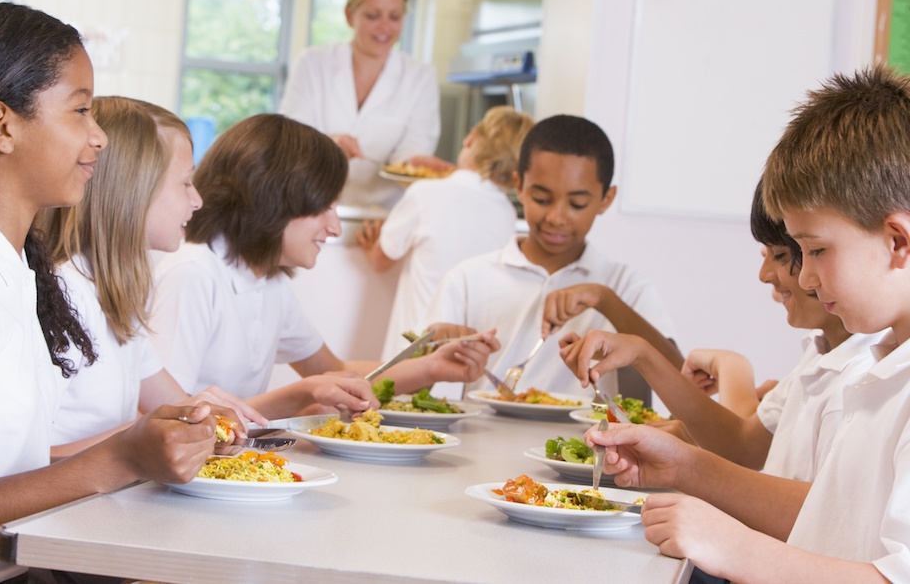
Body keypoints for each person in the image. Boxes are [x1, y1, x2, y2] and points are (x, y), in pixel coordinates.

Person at [0, 3, 238, 583]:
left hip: (21, 565)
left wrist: (144, 442)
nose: (98, 137)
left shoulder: (12, 267)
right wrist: (123, 458)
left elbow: (13, 470)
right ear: (2, 125)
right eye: (79, 111)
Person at [581, 66, 910, 582]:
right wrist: (685, 465)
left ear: (898, 241)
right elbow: (829, 526)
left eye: (817, 250)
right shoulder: (881, 366)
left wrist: (733, 546)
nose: (805, 278)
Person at [150, 113, 499, 420]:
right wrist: (299, 397)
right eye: (324, 207)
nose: (334, 227)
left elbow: (336, 372)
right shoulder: (194, 274)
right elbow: (168, 417)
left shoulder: (266, 281)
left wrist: (431, 367)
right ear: (273, 199)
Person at [561, 179, 882, 479]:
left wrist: (684, 468)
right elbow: (740, 446)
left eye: (782, 255)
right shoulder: (819, 351)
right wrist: (643, 355)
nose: (764, 274)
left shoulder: (868, 372)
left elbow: (807, 509)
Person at [38, 96, 268, 457]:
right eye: (185, 183)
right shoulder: (61, 295)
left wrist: (201, 422)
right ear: (134, 189)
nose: (198, 201)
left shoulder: (117, 296)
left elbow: (175, 410)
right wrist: (151, 431)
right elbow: (23, 464)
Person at [425, 114, 680, 400]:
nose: (557, 217)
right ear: (519, 186)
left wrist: (605, 300)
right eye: (542, 199)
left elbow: (681, 377)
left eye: (577, 204)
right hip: (479, 441)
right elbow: (413, 385)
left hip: (587, 443)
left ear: (605, 200)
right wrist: (433, 346)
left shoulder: (624, 285)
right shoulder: (468, 279)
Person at [356, 106, 535, 358]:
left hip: (417, 348)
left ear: (470, 139)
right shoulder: (506, 212)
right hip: (468, 353)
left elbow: (380, 259)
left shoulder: (425, 192)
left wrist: (371, 244)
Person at [278, 0, 445, 208]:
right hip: (310, 207)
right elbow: (292, 137)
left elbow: (411, 149)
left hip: (382, 217)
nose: (384, 28)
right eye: (373, 16)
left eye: (394, 17)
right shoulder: (313, 63)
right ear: (349, 16)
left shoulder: (420, 76)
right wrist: (329, 145)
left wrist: (416, 163)